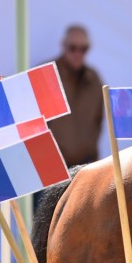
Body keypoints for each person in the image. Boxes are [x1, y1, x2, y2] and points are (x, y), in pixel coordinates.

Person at [48, 24, 104, 167]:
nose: (78, 53)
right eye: (73, 48)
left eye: (83, 49)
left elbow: (99, 120)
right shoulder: (46, 75)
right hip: (52, 168)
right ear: (63, 45)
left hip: (84, 168)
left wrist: (92, 153)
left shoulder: (94, 79)